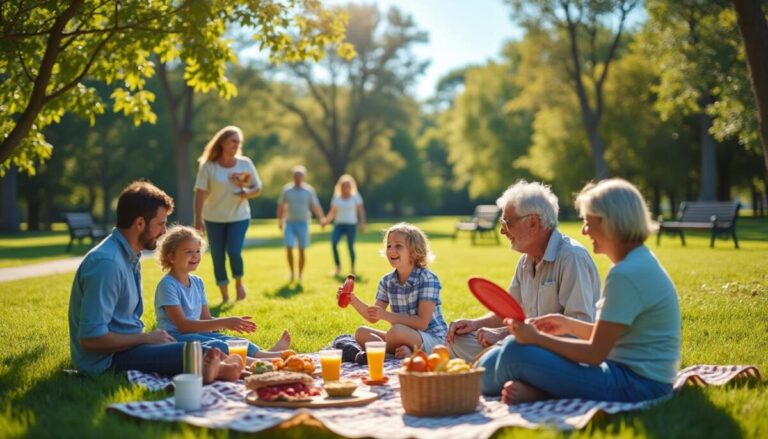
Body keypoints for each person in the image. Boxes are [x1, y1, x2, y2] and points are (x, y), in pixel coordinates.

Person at [479, 178, 681, 404]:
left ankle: (472, 385)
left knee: (514, 352)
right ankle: (525, 388)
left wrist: (537, 339)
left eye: (588, 222)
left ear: (609, 222)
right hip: (635, 378)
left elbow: (595, 354)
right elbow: (611, 335)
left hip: (637, 385)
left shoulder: (625, 274)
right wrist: (567, 325)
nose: (584, 231)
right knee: (510, 348)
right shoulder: (638, 262)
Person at [68, 181, 244, 383]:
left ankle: (219, 368)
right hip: (105, 361)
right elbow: (91, 339)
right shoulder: (108, 264)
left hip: (129, 347)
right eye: (160, 224)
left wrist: (146, 339)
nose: (164, 232)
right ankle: (219, 369)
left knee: (207, 348)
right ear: (140, 223)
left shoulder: (128, 257)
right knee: (197, 351)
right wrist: (145, 338)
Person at [446, 180, 601, 361]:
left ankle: (496, 365)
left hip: (559, 353)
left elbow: (577, 329)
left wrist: (503, 336)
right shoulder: (525, 260)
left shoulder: (571, 257)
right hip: (526, 345)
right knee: (457, 340)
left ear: (533, 222)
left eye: (507, 223)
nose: (503, 231)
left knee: (506, 352)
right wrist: (475, 324)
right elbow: (509, 311)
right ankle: (494, 364)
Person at [154, 225, 292, 360]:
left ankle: (264, 355)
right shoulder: (167, 285)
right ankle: (262, 362)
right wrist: (225, 322)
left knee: (234, 341)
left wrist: (232, 322)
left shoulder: (197, 282)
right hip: (175, 340)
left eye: (197, 251)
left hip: (197, 334)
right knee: (217, 345)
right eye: (188, 252)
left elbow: (205, 319)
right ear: (171, 256)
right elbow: (183, 326)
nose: (195, 256)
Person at [339, 222, 448, 358]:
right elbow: (372, 317)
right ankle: (396, 352)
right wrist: (353, 300)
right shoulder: (387, 281)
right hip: (401, 335)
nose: (391, 250)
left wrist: (385, 315)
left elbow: (422, 322)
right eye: (389, 246)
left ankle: (383, 352)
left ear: (414, 251)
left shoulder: (428, 279)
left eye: (398, 246)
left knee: (396, 332)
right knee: (361, 332)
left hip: (432, 339)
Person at [194, 125, 262, 302]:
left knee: (233, 251)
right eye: (233, 141)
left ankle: (239, 282)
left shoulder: (245, 163)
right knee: (217, 256)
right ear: (222, 142)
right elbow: (200, 192)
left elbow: (257, 187)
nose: (236, 145)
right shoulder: (208, 166)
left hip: (239, 216)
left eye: (238, 142)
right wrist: (198, 220)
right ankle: (224, 295)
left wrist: (245, 192)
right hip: (213, 218)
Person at [276, 165, 326, 283]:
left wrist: (321, 218)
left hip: (303, 223)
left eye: (300, 175)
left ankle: (300, 274)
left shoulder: (308, 191)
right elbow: (281, 206)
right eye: (295, 175)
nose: (297, 177)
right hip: (290, 223)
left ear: (303, 177)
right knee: (289, 247)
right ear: (293, 176)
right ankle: (292, 273)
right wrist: (280, 220)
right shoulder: (287, 190)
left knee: (302, 249)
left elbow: (315, 205)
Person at [323, 174, 366, 276]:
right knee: (334, 243)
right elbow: (332, 212)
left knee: (350, 246)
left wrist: (362, 223)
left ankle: (352, 268)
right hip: (339, 225)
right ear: (340, 186)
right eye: (343, 186)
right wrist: (326, 221)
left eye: (347, 186)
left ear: (351, 187)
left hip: (351, 224)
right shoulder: (336, 197)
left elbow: (361, 210)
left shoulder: (356, 196)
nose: (345, 188)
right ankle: (338, 267)